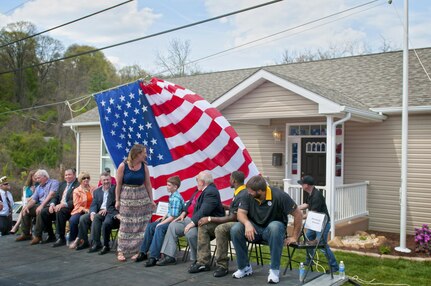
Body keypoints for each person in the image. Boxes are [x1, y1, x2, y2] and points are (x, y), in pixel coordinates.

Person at [230, 175, 303, 284]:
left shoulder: (280, 196)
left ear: (260, 191)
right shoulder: (247, 194)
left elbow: (298, 214)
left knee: (274, 226)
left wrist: (294, 236)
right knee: (236, 229)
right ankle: (244, 267)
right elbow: (240, 213)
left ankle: (274, 271)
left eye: (251, 192)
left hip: (273, 231)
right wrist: (247, 223)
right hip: (255, 229)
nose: (248, 193)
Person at [157, 171, 225, 269]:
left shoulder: (211, 192)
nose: (196, 182)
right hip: (190, 218)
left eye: (197, 180)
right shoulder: (198, 190)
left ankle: (198, 259)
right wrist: (183, 213)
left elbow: (204, 211)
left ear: (202, 182)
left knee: (191, 233)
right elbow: (189, 203)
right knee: (173, 226)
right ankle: (170, 256)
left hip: (204, 222)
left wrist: (192, 223)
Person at [189, 171, 248, 277]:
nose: (229, 180)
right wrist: (227, 207)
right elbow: (237, 209)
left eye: (230, 178)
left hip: (240, 225)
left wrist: (210, 218)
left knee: (220, 229)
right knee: (204, 225)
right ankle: (203, 262)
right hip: (233, 222)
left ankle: (222, 265)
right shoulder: (239, 192)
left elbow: (234, 217)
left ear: (234, 180)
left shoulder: (242, 194)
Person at [115, 144, 155, 262]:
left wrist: (151, 200)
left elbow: (148, 184)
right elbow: (118, 184)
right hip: (127, 197)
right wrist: (117, 200)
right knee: (126, 224)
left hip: (141, 197)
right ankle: (121, 250)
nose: (146, 155)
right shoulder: (123, 166)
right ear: (137, 154)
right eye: (144, 152)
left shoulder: (144, 166)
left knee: (141, 225)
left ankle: (138, 250)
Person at [135, 175, 185, 267]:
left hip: (175, 222)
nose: (167, 186)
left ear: (175, 187)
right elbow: (170, 211)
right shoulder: (172, 195)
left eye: (169, 185)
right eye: (167, 184)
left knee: (159, 228)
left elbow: (173, 216)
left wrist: (161, 223)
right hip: (169, 219)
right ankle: (143, 252)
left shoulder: (176, 198)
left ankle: (154, 257)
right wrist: (163, 217)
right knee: (150, 226)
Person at [297, 175, 339, 273]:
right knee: (307, 239)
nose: (301, 186)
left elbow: (312, 214)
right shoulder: (311, 193)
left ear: (306, 185)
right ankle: (310, 260)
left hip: (322, 224)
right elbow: (306, 205)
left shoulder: (317, 196)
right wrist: (295, 209)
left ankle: (334, 267)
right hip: (315, 223)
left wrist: (298, 216)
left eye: (302, 184)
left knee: (322, 245)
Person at [16, 169, 59, 245]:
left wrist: (42, 206)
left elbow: (51, 195)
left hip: (51, 205)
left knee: (40, 211)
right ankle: (26, 234)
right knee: (25, 210)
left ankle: (37, 236)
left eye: (38, 178)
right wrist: (26, 207)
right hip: (41, 205)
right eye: (36, 178)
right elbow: (34, 199)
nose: (37, 180)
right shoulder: (39, 187)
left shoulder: (53, 182)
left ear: (45, 177)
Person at [76, 171, 116, 252]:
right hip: (99, 211)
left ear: (111, 180)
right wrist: (92, 213)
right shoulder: (97, 191)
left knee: (97, 217)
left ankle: (96, 243)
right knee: (83, 218)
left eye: (107, 179)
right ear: (101, 181)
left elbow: (118, 203)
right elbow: (93, 204)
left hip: (110, 212)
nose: (106, 182)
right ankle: (84, 242)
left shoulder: (115, 189)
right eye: (104, 180)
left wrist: (107, 209)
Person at [50, 168, 79, 247]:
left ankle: (60, 237)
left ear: (74, 175)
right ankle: (49, 235)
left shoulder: (78, 185)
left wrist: (63, 204)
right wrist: (52, 204)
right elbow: (56, 196)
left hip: (71, 208)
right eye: (66, 175)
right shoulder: (62, 184)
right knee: (44, 212)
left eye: (69, 174)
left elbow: (75, 201)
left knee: (60, 211)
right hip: (59, 206)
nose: (67, 177)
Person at [68, 171, 95, 249]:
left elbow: (97, 201)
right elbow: (77, 204)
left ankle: (80, 239)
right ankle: (73, 240)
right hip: (80, 210)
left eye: (87, 178)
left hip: (92, 210)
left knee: (82, 219)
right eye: (84, 178)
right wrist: (85, 210)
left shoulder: (93, 188)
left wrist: (91, 210)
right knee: (73, 220)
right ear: (80, 180)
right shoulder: (76, 190)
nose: (86, 179)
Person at [10, 170, 37, 234]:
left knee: (24, 208)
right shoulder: (27, 188)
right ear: (31, 177)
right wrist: (34, 195)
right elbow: (27, 199)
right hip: (29, 203)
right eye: (34, 176)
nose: (36, 178)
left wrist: (33, 196)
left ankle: (16, 226)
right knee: (25, 208)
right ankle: (23, 228)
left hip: (37, 203)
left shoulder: (39, 185)